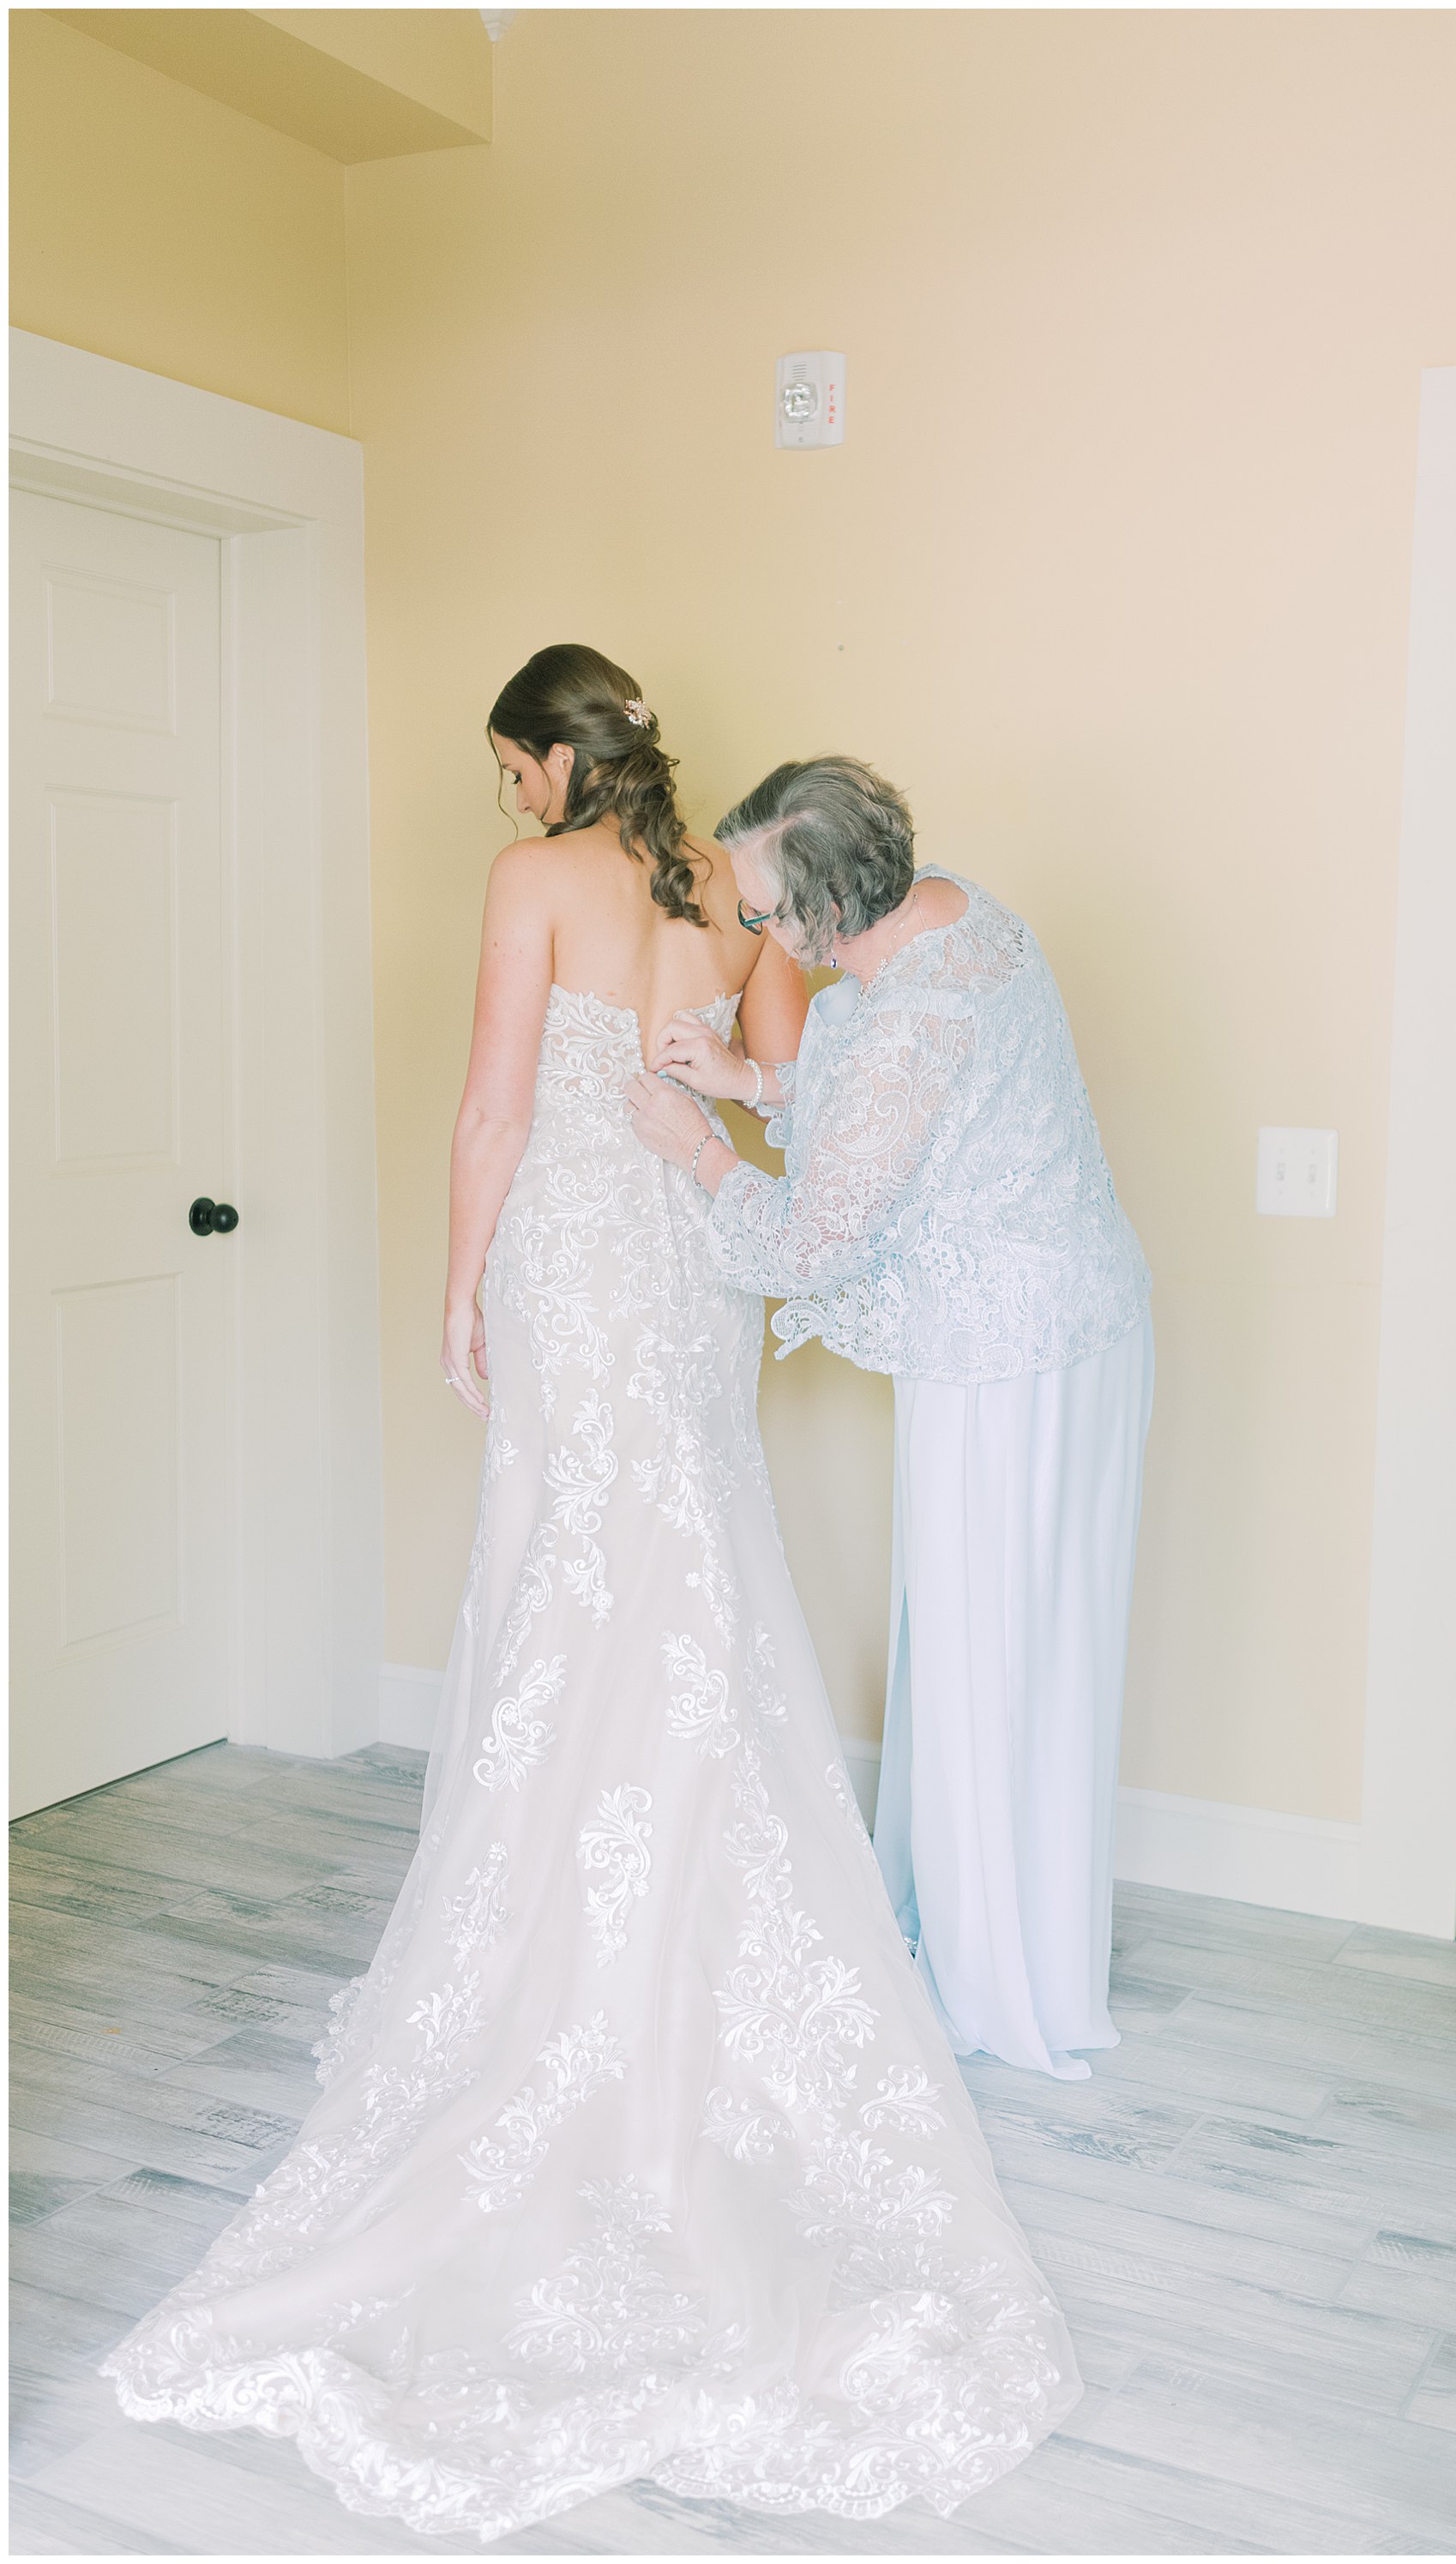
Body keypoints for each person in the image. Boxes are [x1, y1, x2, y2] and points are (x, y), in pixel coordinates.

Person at [101, 651, 1080, 2538]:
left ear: (558, 758)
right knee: (690, 1562)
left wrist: (458, 1288)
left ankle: (560, 1922)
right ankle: (685, 1900)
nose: (508, 799)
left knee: (575, 1570)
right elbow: (787, 1074)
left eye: (509, 766)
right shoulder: (730, 889)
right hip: (691, 1260)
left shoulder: (533, 885)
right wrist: (706, 1096)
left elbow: (487, 1115)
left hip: (573, 1256)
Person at [629, 756, 1152, 2084]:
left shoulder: (910, 1013)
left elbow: (814, 1240)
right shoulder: (956, 911)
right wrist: (756, 1077)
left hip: (1004, 1361)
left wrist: (696, 1144)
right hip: (1081, 1321)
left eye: (761, 915)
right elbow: (906, 1116)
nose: (753, 933)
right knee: (1030, 1645)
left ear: (819, 913)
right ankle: (1016, 1934)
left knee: (985, 1645)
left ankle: (994, 1979)